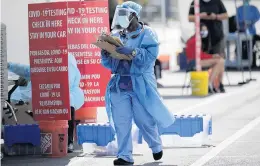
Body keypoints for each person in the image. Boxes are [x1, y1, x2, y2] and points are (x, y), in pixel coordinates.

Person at [101, 1, 175, 165]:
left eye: (124, 15)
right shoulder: (117, 35)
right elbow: (109, 65)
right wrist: (106, 53)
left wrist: (134, 52)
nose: (121, 19)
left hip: (141, 84)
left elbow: (150, 58)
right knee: (122, 122)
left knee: (144, 120)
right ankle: (125, 156)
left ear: (134, 15)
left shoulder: (147, 33)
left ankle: (156, 145)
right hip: (120, 85)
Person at [7, 54, 84, 153]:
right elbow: (30, 71)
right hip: (46, 96)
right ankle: (59, 142)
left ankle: (66, 142)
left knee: (67, 105)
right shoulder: (46, 56)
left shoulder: (66, 59)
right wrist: (11, 66)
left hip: (64, 97)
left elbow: (66, 81)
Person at [188, 0, 228, 92]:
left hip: (216, 37)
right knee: (218, 60)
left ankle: (219, 84)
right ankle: (208, 83)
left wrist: (216, 16)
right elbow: (189, 18)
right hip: (203, 38)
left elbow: (225, 15)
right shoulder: (196, 3)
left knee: (220, 59)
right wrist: (200, 16)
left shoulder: (217, 2)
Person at [186, 23, 225, 93]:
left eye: (205, 30)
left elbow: (200, 55)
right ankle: (210, 84)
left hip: (196, 61)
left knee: (221, 61)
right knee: (219, 61)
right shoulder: (195, 40)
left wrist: (213, 56)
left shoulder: (197, 39)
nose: (205, 32)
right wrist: (212, 56)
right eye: (203, 30)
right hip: (194, 62)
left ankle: (218, 84)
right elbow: (199, 55)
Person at [237, 0, 260, 67]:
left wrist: (251, 22)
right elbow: (237, 20)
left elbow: (257, 17)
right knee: (243, 47)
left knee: (252, 47)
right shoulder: (239, 9)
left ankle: (252, 63)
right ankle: (243, 62)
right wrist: (242, 23)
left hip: (252, 32)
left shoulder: (254, 8)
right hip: (242, 32)